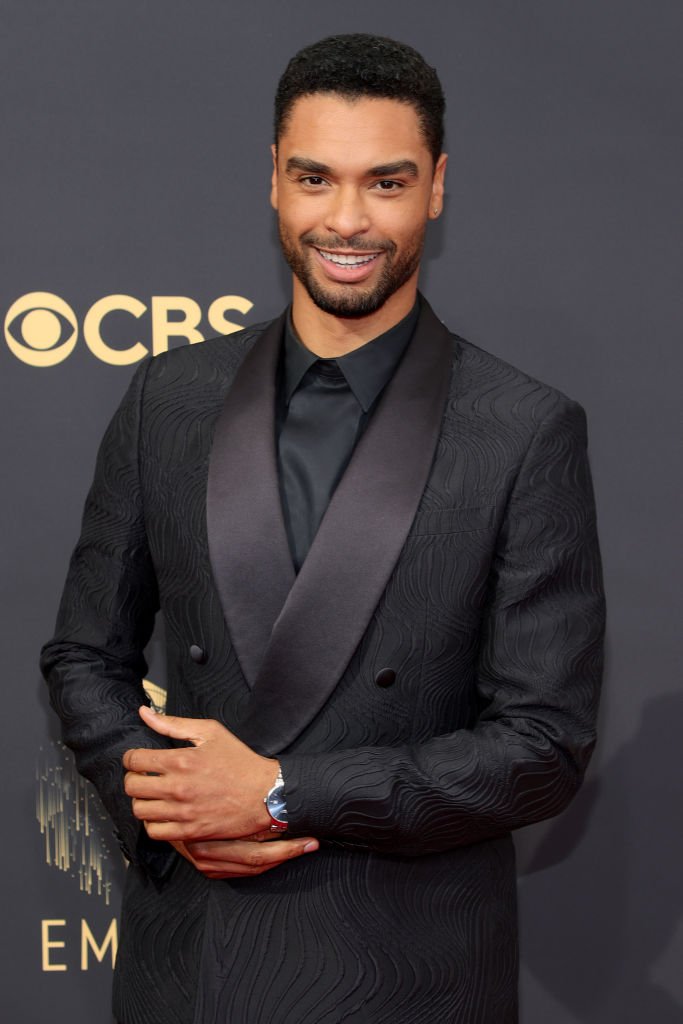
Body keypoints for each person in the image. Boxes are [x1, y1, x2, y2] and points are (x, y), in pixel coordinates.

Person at [41, 33, 605, 1024]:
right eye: (315, 178)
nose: (346, 219)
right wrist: (169, 799)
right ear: (273, 181)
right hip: (192, 968)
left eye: (384, 183)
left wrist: (278, 792)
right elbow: (85, 651)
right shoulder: (168, 398)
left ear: (434, 186)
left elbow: (540, 742)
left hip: (407, 971)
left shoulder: (521, 429)